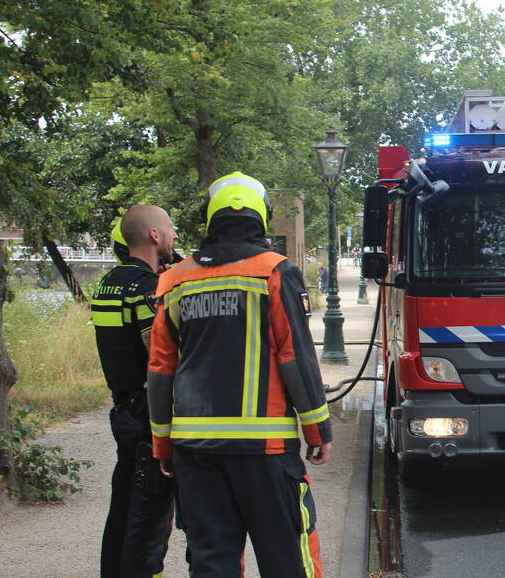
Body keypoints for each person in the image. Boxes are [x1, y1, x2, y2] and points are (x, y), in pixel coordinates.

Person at [148, 171, 332, 577]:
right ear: (261, 218)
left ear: (209, 219)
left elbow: (161, 370)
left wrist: (162, 444)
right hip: (264, 451)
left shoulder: (175, 280)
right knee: (288, 557)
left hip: (195, 452)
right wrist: (318, 431)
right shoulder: (274, 271)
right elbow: (295, 357)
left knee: (213, 560)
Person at [92, 205, 179, 577]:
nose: (175, 235)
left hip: (122, 408)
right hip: (145, 415)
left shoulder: (108, 282)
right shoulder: (145, 289)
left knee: (123, 506)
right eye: (170, 228)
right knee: (148, 517)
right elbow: (157, 354)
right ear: (155, 236)